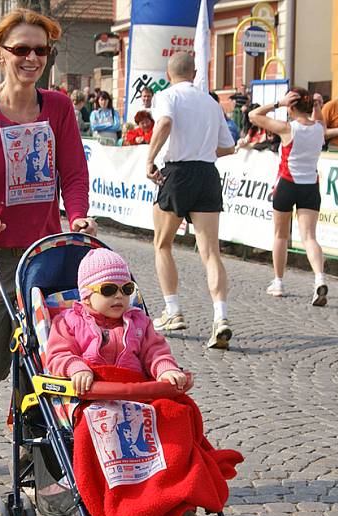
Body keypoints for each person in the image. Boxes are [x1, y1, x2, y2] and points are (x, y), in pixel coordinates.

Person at [0, 7, 96, 465]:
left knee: (46, 355)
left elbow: (73, 171)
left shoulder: (60, 107)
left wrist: (79, 215)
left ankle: (34, 444)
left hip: (41, 253)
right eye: (21, 49)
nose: (32, 58)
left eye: (41, 50)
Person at [145, 52, 236, 349]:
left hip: (178, 172)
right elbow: (228, 147)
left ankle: (173, 310)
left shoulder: (166, 96)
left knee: (162, 243)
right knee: (211, 253)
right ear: (195, 73)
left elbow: (165, 123)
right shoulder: (211, 103)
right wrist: (204, 149)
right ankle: (221, 317)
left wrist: (150, 159)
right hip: (208, 173)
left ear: (168, 74)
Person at [46, 248, 187, 395]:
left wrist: (166, 368)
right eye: (108, 290)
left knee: (179, 409)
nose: (119, 296)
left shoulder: (139, 322)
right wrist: (76, 367)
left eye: (126, 289)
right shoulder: (68, 322)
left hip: (136, 390)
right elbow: (59, 354)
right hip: (91, 392)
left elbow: (155, 351)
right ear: (86, 296)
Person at [250, 89, 328, 306]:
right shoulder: (319, 128)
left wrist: (277, 103)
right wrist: (318, 108)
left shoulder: (287, 128)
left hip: (287, 184)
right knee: (309, 237)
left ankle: (279, 282)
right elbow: (320, 122)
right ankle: (319, 278)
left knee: (281, 235)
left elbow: (253, 116)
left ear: (291, 107)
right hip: (310, 186)